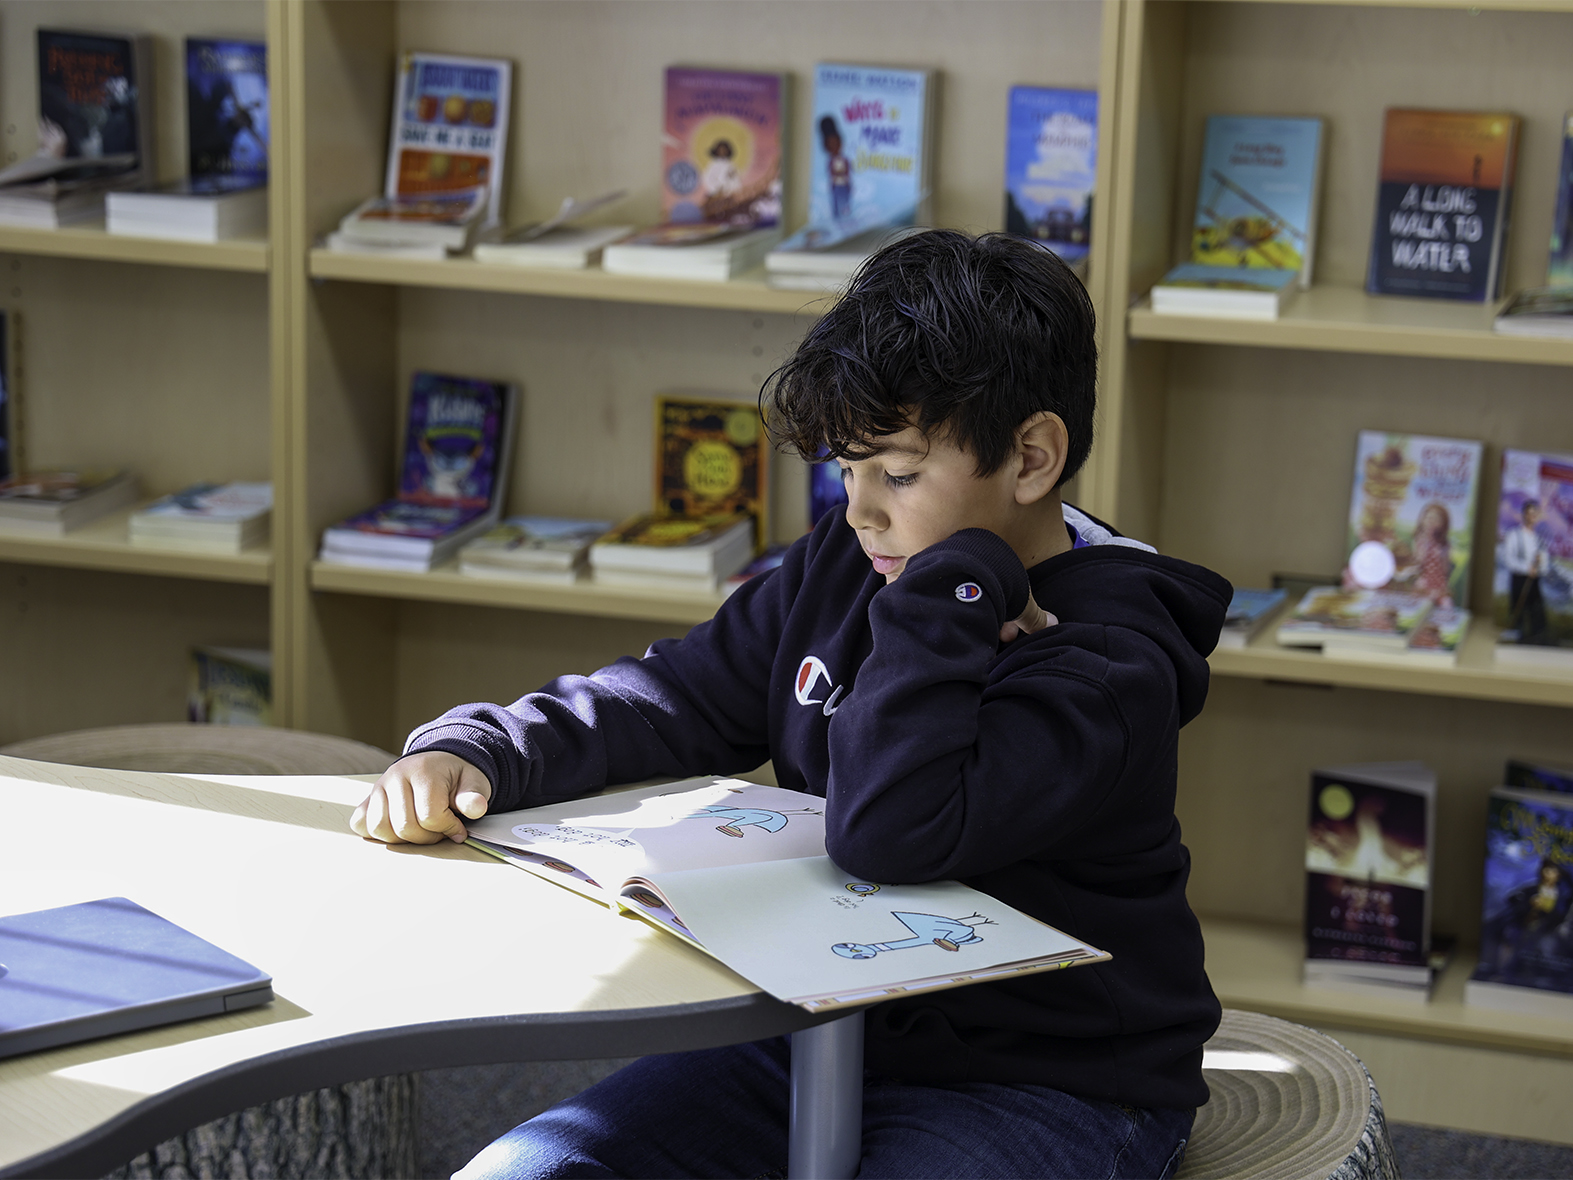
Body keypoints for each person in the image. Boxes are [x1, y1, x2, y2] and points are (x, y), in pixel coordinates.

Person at [352, 229, 1230, 1180]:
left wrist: (957, 584)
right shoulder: (848, 563)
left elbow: (894, 830)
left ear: (1031, 457)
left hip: (1048, 1079)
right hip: (810, 1025)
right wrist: (483, 749)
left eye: (896, 473)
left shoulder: (1109, 654)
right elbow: (673, 695)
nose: (860, 513)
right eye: (845, 472)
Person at [1503, 499, 1552, 644]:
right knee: (1519, 611)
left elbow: (1545, 563)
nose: (1532, 517)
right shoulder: (1513, 535)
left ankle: (1538, 638)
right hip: (1519, 580)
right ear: (1524, 515)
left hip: (1534, 581)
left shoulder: (1539, 539)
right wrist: (1526, 568)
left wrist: (1539, 569)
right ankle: (1518, 638)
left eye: (1534, 514)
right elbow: (1508, 560)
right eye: (1529, 514)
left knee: (1536, 611)